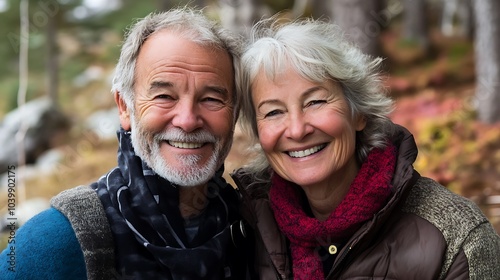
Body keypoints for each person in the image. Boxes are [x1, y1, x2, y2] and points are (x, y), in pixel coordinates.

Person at [231, 17, 500, 280]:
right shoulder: (246, 226)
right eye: (274, 112)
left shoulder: (455, 234)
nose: (297, 129)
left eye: (315, 102)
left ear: (358, 113)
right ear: (259, 133)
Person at [0, 7, 250, 280]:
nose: (188, 120)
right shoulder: (55, 241)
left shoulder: (256, 228)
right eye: (164, 96)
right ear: (124, 107)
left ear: (235, 111)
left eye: (212, 99)